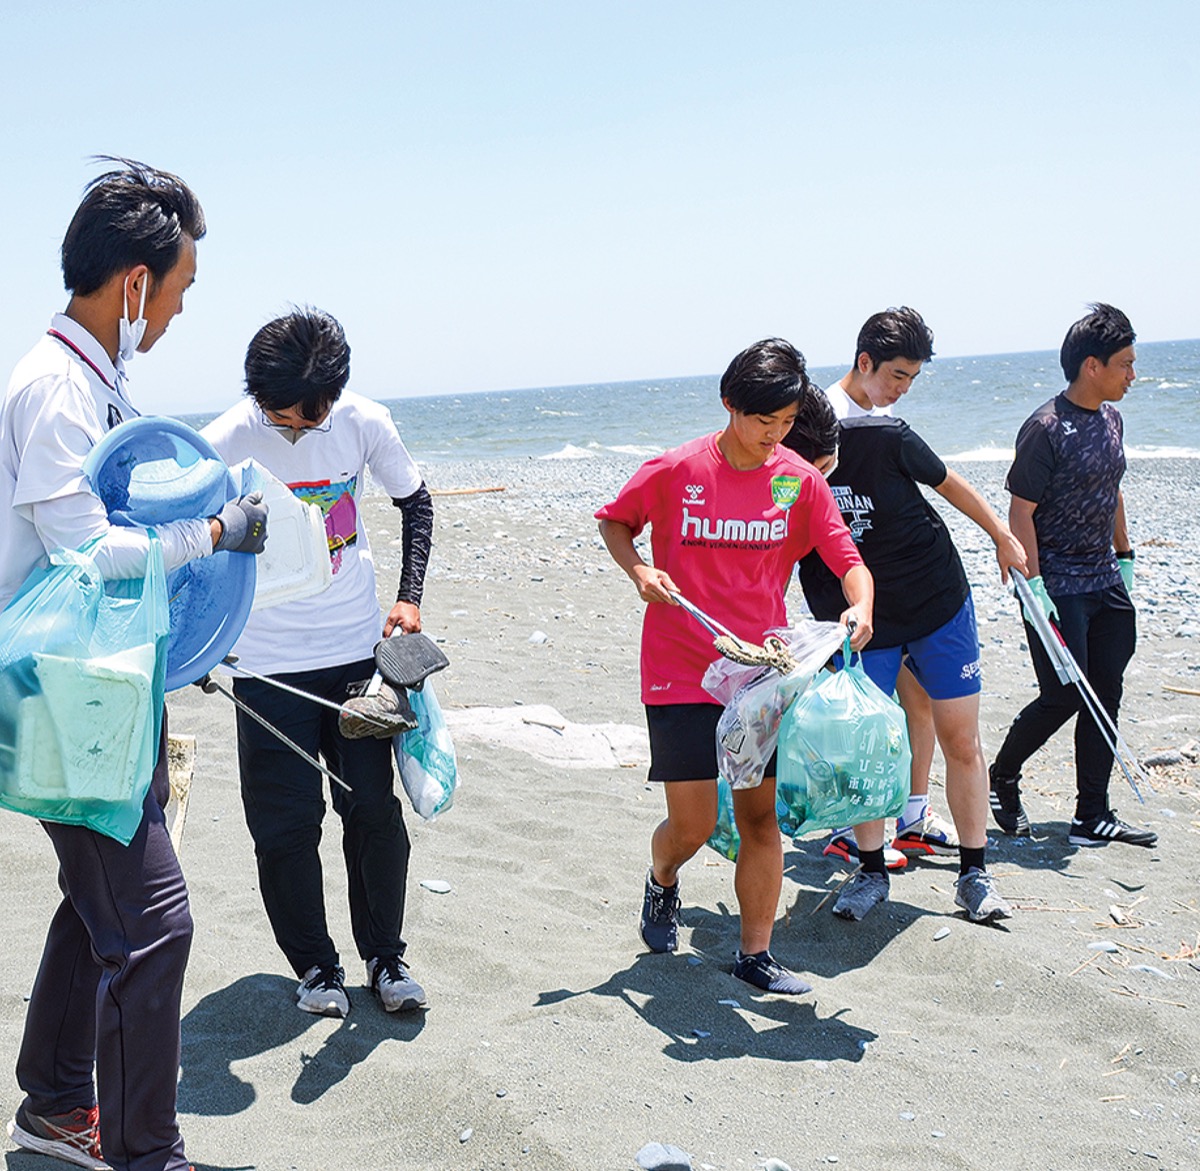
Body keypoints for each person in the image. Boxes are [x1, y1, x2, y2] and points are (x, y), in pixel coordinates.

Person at [1, 159, 267, 1171]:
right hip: (62, 695)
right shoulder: (56, 386)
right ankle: (145, 1154)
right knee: (155, 924)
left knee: (101, 906)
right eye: (181, 289)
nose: (180, 311)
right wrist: (215, 533)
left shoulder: (94, 381)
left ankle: (55, 1107)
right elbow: (83, 551)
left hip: (104, 687)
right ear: (137, 282)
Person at [596, 338, 873, 994]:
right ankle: (663, 877)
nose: (773, 435)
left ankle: (756, 955)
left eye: (786, 422)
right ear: (729, 404)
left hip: (759, 675)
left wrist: (861, 605)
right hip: (680, 667)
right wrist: (640, 571)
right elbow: (615, 523)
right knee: (692, 824)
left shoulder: (798, 479)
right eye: (762, 421)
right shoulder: (676, 469)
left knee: (758, 820)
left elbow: (847, 558)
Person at [202, 308, 435, 1018]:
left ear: (332, 397)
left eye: (305, 421)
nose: (293, 432)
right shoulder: (223, 440)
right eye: (279, 420)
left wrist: (409, 598)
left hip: (354, 656)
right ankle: (315, 969)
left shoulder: (363, 422)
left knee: (372, 811)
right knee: (285, 826)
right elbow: (187, 542)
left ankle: (385, 956)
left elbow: (416, 504)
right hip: (264, 664)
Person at [788, 346, 1026, 924]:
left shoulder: (883, 437)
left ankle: (974, 874)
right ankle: (871, 872)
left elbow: (949, 483)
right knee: (864, 745)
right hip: (858, 619)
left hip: (935, 599)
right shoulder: (785, 466)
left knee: (960, 738)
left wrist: (1000, 534)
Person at [988, 304, 1156, 849]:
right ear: (1092, 365)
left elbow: (1112, 487)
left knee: (1106, 692)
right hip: (1056, 585)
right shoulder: (1044, 429)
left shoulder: (1111, 419)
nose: (1133, 375)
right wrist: (1033, 586)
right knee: (1065, 694)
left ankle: (1092, 814)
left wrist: (1125, 556)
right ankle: (1003, 775)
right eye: (1125, 364)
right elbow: (1021, 513)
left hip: (1104, 578)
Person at [815, 308, 955, 867]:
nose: (902, 390)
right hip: (846, 593)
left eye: (913, 379)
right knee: (861, 714)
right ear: (865, 361)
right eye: (897, 375)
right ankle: (848, 829)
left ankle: (914, 816)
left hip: (891, 586)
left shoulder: (879, 414)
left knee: (918, 701)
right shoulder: (825, 416)